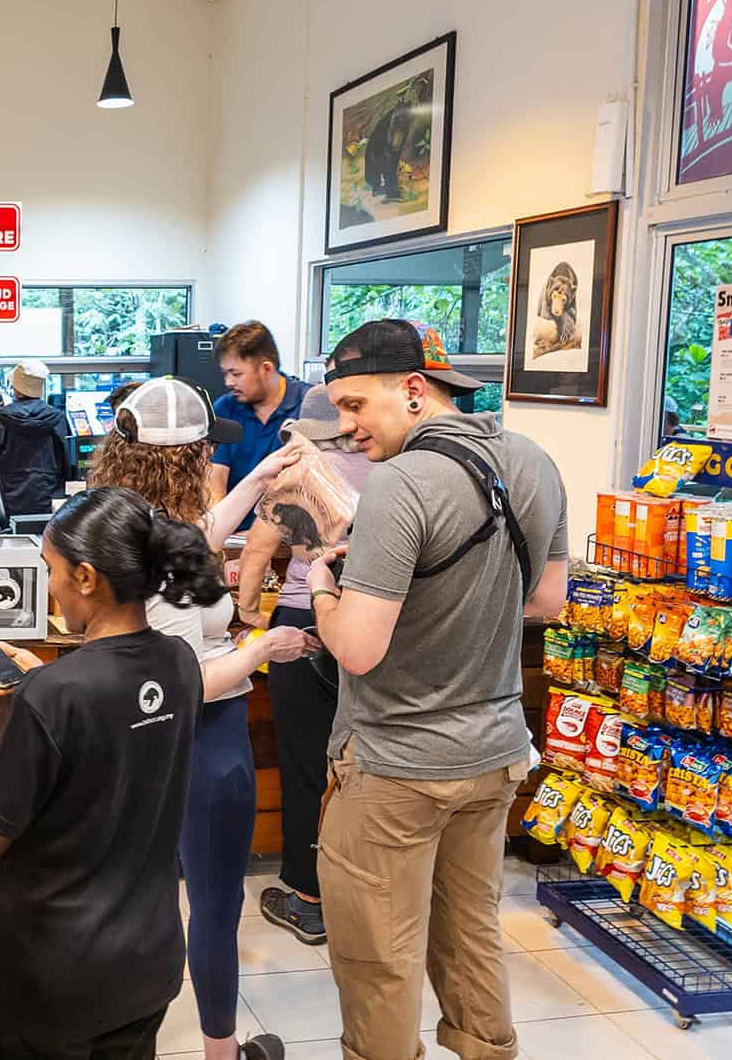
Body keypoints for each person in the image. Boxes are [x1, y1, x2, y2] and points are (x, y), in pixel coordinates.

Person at [307, 320, 569, 1060]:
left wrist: (328, 588)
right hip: (494, 755)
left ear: (415, 390)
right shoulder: (533, 460)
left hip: (396, 768)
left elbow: (358, 648)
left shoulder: (402, 481)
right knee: (472, 932)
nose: (347, 428)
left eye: (356, 406)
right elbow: (545, 601)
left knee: (379, 961)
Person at [0, 487, 281, 1060]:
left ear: (86, 577)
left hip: (55, 967)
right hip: (147, 959)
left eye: (52, 571)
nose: (51, 586)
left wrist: (41, 696)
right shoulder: (181, 664)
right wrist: (44, 685)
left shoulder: (55, 695)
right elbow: (125, 704)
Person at [91, 378, 313, 1060]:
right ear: (184, 456)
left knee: (137, 899)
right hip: (203, 744)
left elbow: (199, 538)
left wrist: (259, 481)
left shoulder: (124, 524)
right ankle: (221, 1050)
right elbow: (185, 678)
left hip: (133, 747)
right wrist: (263, 649)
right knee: (214, 907)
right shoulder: (160, 542)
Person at [234, 390, 376, 947]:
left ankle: (308, 899)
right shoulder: (397, 465)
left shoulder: (303, 472)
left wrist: (248, 617)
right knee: (363, 766)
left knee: (306, 766)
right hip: (376, 619)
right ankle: (360, 894)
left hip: (307, 616)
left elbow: (255, 552)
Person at [207, 322, 310, 529]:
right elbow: (215, 478)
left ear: (266, 369)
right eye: (225, 373)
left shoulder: (308, 404)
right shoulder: (225, 409)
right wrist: (217, 533)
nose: (228, 382)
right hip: (236, 536)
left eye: (236, 374)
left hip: (294, 535)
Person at [0, 360, 71, 520]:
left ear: (16, 387)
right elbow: (67, 461)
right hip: (46, 497)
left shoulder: (0, 417)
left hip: (7, 497)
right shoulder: (57, 417)